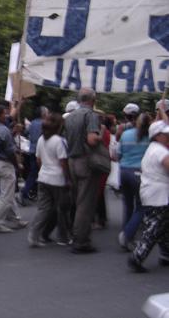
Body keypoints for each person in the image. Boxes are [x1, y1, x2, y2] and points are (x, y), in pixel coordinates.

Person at [63, 88, 102, 254]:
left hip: (72, 160)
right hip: (85, 161)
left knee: (78, 200)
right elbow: (92, 140)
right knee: (85, 203)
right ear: (93, 100)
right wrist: (102, 134)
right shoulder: (91, 115)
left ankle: (75, 235)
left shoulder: (70, 117)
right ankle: (81, 241)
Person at [128, 120, 169, 272]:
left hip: (152, 192)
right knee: (155, 227)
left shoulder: (153, 148)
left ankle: (166, 254)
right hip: (159, 194)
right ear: (158, 136)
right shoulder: (161, 151)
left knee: (163, 226)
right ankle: (137, 256)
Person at [27, 113, 71, 247]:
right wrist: (67, 179)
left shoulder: (41, 139)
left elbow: (38, 159)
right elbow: (63, 162)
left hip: (43, 177)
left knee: (44, 209)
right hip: (57, 179)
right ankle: (62, 237)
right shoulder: (59, 141)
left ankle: (34, 234)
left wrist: (44, 170)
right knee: (62, 209)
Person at [0, 105, 28, 232]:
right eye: (5, 113)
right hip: (5, 164)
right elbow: (10, 151)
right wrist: (17, 165)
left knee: (7, 192)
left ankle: (15, 219)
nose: (7, 115)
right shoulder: (3, 130)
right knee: (7, 195)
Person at [118, 112, 151, 251]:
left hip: (124, 171)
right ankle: (127, 235)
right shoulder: (150, 137)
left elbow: (118, 154)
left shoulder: (126, 134)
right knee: (141, 206)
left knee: (128, 204)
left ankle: (126, 233)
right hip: (139, 173)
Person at [18, 106, 49, 206]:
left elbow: (26, 133)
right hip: (40, 152)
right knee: (35, 173)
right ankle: (24, 192)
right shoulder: (44, 124)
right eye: (47, 113)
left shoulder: (32, 124)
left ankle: (30, 192)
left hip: (31, 150)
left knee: (34, 172)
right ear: (43, 114)